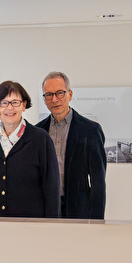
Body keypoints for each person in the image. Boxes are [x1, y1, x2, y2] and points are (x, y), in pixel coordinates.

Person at [0, 81, 60, 218]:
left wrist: (51, 225)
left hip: (30, 224)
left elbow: (51, 188)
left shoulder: (41, 139)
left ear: (23, 105)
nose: (9, 108)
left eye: (15, 102)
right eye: (4, 103)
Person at [36, 71, 107, 219]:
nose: (54, 99)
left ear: (70, 94)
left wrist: (97, 220)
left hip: (78, 210)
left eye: (59, 93)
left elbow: (98, 181)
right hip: (45, 209)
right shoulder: (38, 132)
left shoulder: (90, 130)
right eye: (48, 94)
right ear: (44, 99)